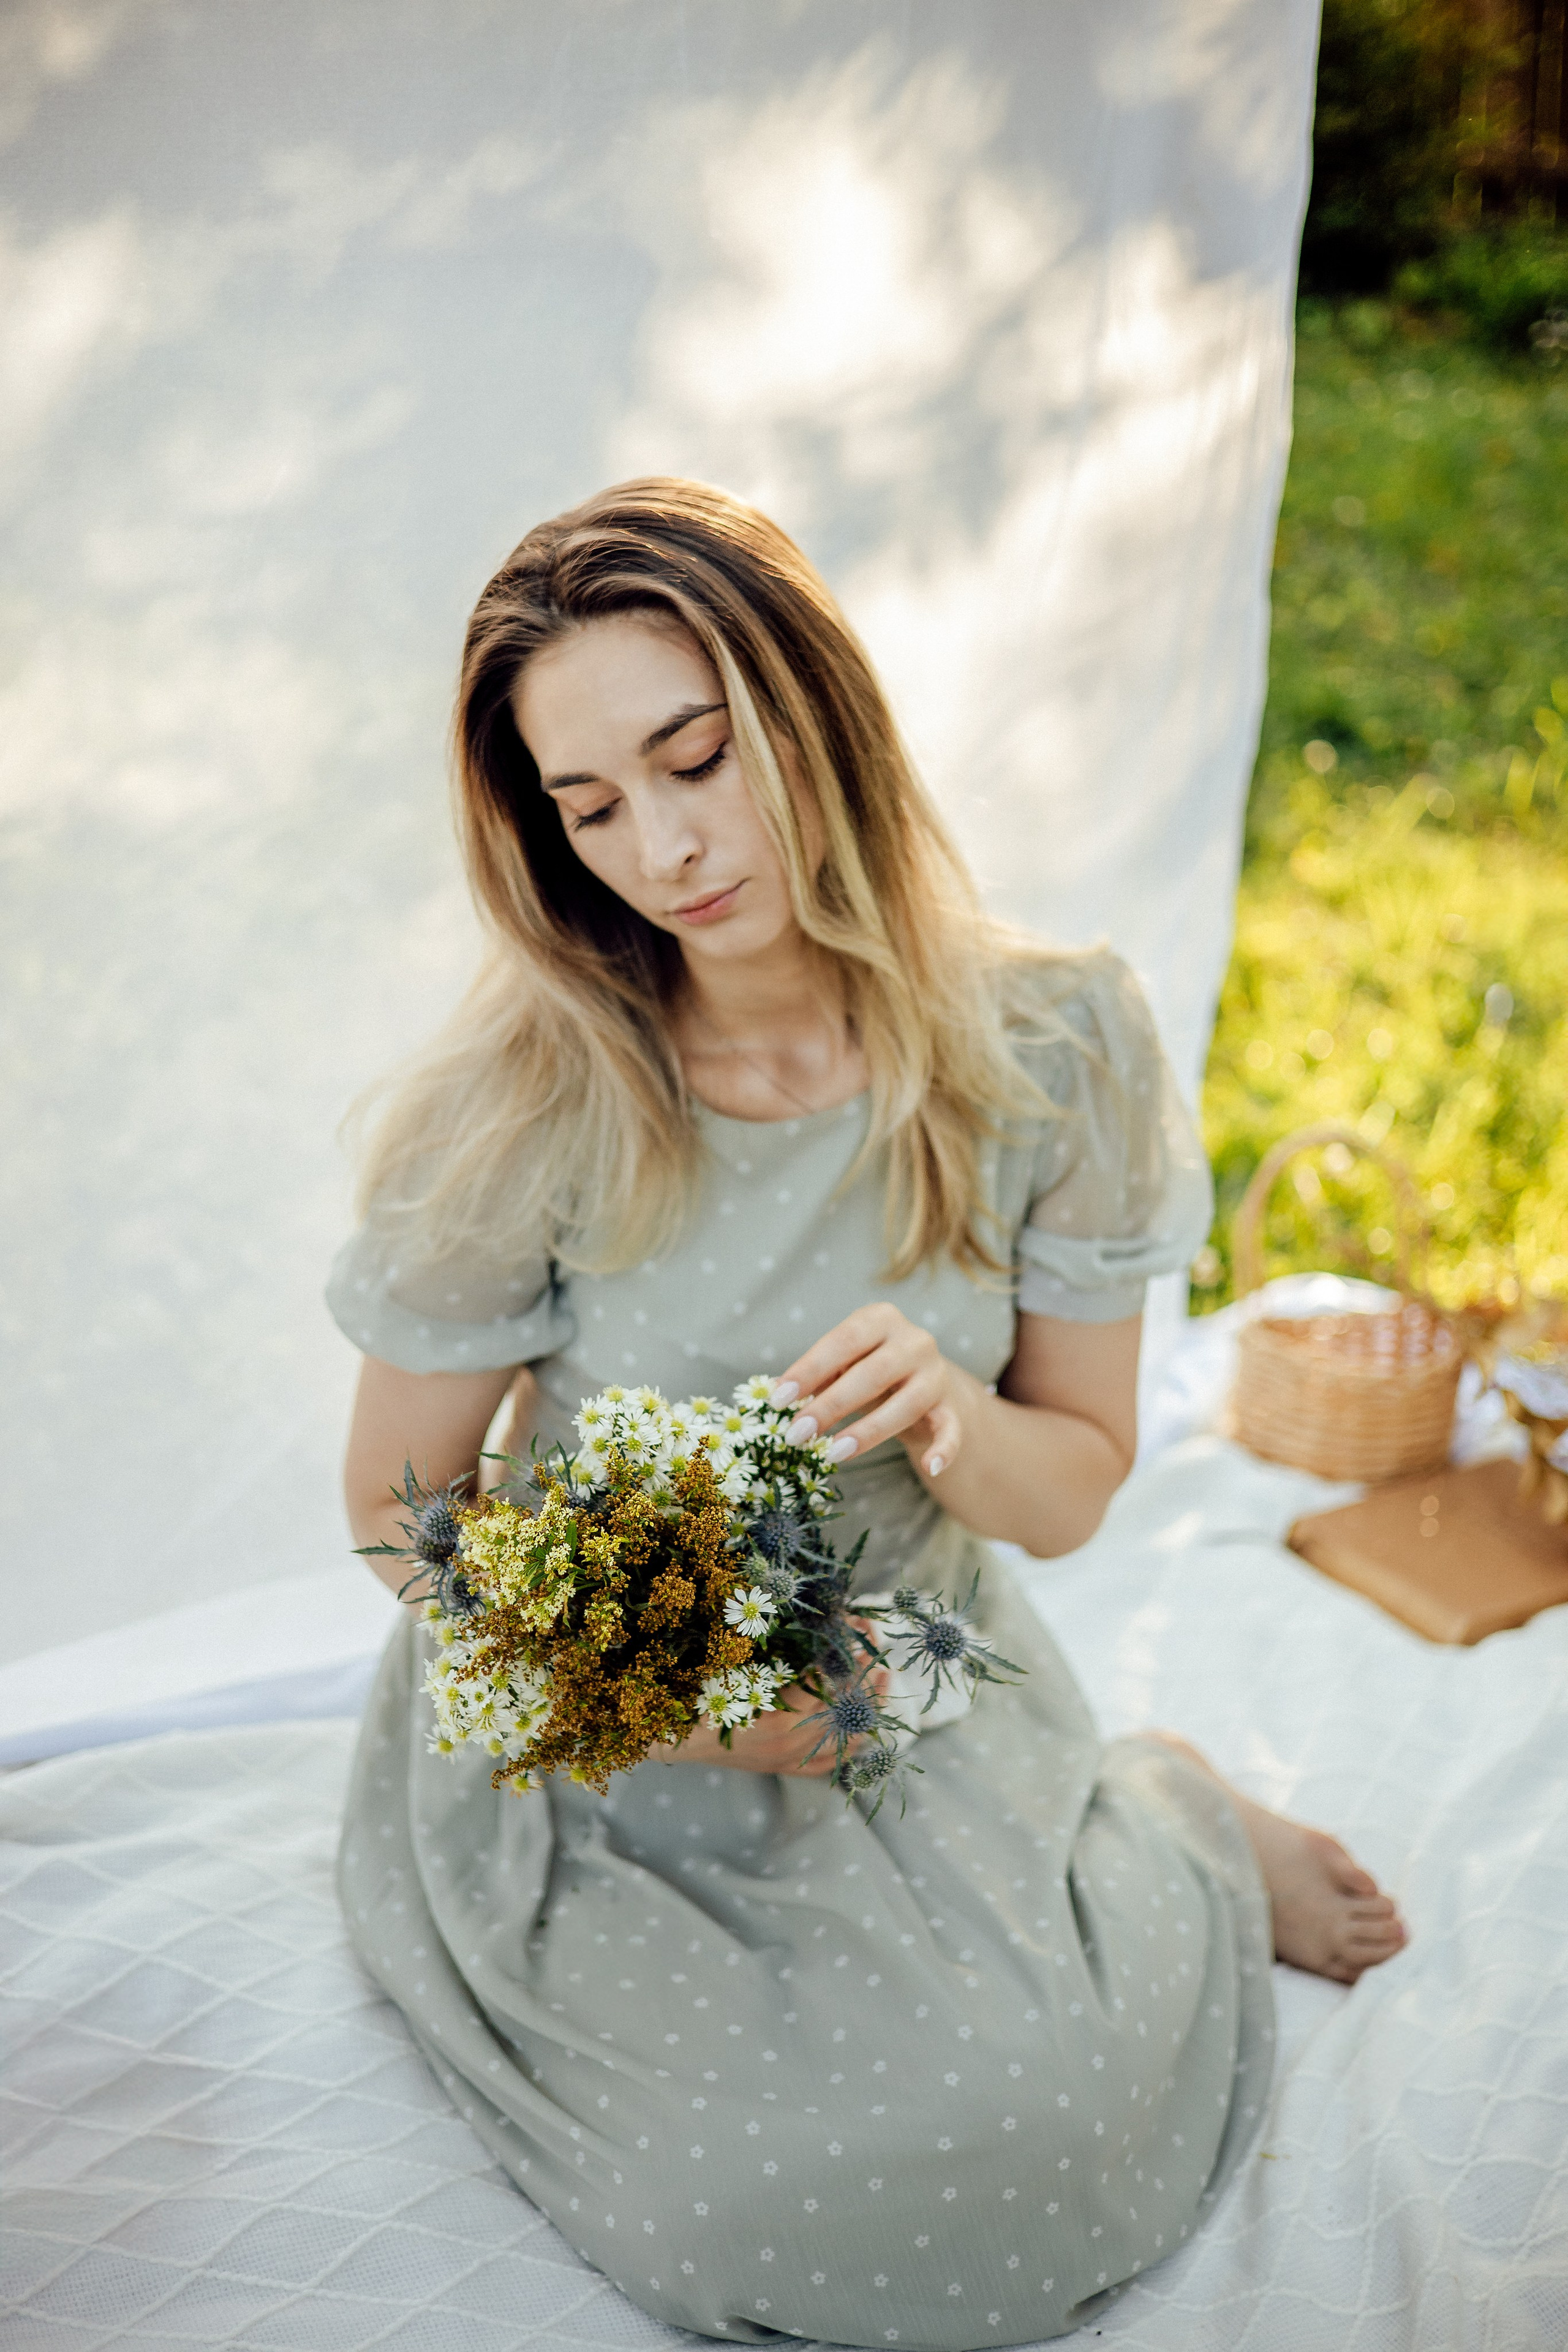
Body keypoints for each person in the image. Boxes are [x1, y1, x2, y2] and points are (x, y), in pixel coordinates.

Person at [330, 478, 1405, 2348]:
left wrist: (953, 1432)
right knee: (761, 2214)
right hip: (608, 1722)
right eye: (592, 807)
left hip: (913, 1671)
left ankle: (1167, 1813)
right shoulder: (521, 1108)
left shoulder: (1057, 1048)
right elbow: (400, 1515)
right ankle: (1130, 1827)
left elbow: (1069, 1491)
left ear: (812, 707)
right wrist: (714, 1714)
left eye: (696, 757)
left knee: (1048, 2149)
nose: (663, 848)